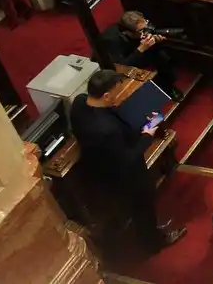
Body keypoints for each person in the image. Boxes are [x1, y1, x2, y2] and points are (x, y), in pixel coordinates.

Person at [71, 70, 185, 250]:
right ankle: (152, 242)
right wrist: (149, 131)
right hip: (123, 173)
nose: (119, 94)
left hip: (96, 162)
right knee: (143, 205)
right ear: (106, 95)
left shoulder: (79, 102)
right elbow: (129, 157)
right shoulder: (106, 129)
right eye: (117, 91)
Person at [98, 10, 182, 99]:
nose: (146, 31)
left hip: (139, 50)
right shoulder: (112, 40)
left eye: (146, 23)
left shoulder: (144, 25)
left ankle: (168, 86)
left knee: (163, 57)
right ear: (128, 32)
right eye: (141, 31)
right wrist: (141, 48)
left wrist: (157, 41)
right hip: (124, 60)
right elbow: (121, 66)